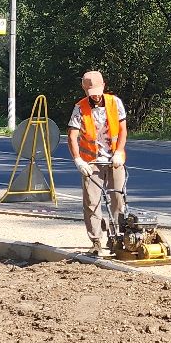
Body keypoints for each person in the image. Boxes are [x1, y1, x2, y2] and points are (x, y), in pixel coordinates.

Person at [67, 70, 127, 254]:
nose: (95, 96)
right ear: (85, 90)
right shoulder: (80, 108)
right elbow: (72, 136)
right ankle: (95, 241)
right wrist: (78, 160)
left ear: (104, 86)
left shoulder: (115, 102)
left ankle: (118, 237)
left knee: (117, 199)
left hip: (114, 160)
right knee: (91, 202)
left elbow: (123, 130)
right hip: (91, 162)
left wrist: (118, 152)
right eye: (91, 93)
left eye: (98, 92)